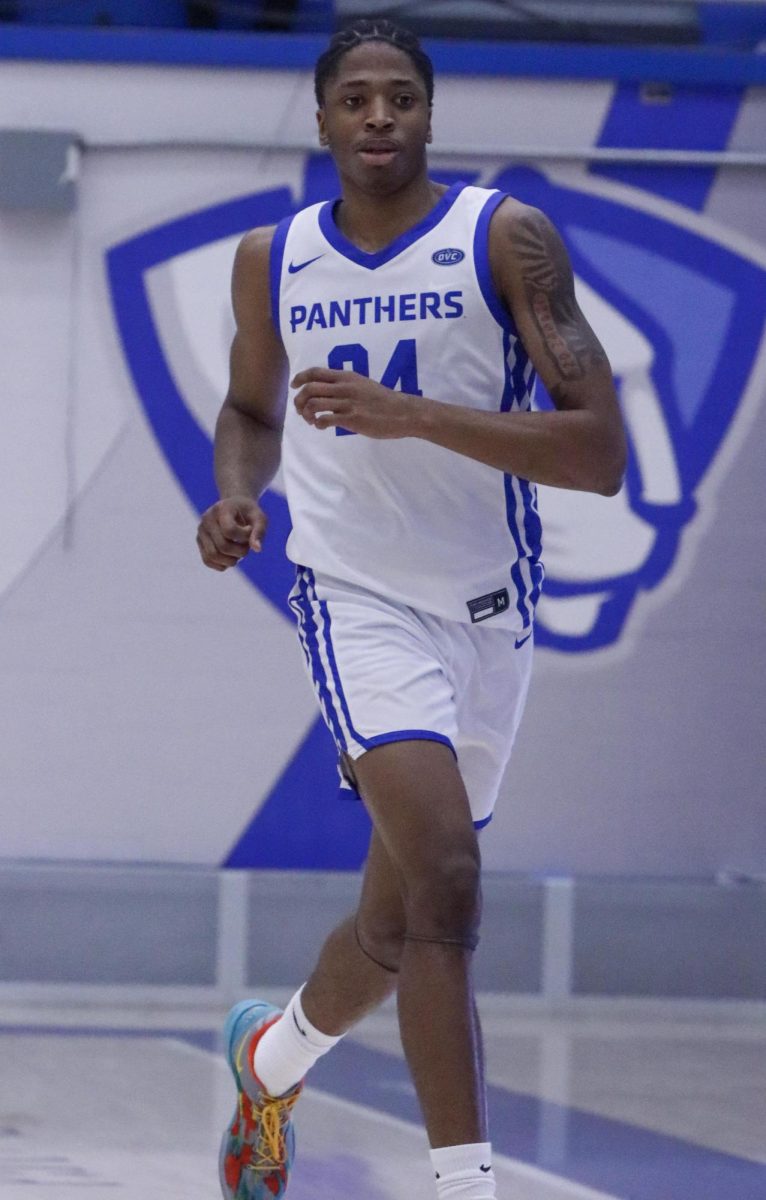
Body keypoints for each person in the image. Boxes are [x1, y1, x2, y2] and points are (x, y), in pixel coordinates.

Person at [197, 18, 626, 1200]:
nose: (377, 116)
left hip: (491, 612)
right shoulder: (270, 257)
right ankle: (465, 1186)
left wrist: (414, 416)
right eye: (355, 99)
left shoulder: (506, 238)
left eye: (399, 98)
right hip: (354, 600)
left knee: (394, 932)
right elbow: (249, 411)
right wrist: (237, 498)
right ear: (324, 119)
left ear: (428, 116)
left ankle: (268, 1058)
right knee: (447, 882)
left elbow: (598, 456)